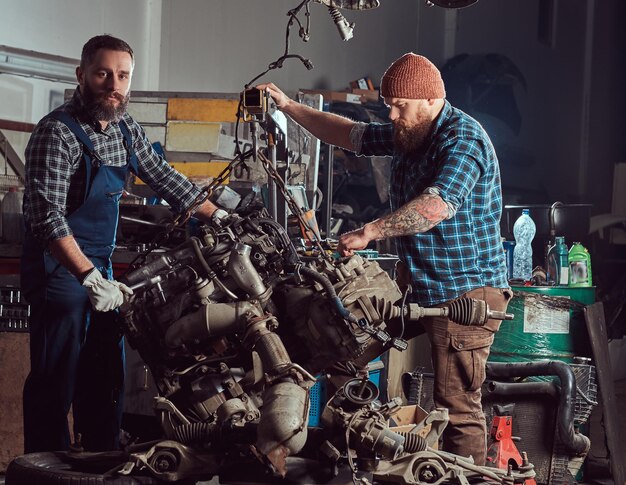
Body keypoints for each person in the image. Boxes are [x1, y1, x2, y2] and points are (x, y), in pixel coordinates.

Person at [257, 52, 511, 465]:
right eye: (388, 105)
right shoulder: (410, 129)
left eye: (400, 106)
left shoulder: (463, 139)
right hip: (418, 290)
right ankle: (358, 454)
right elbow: (349, 135)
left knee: (459, 408)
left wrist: (371, 230)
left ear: (431, 101)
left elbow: (436, 206)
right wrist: (288, 107)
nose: (391, 116)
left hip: (466, 292)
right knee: (338, 346)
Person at [21, 34, 222, 453]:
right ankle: (44, 470)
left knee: (104, 371)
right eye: (103, 73)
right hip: (59, 268)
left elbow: (164, 178)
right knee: (56, 377)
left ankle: (101, 459)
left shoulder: (125, 125)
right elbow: (46, 218)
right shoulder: (56, 133)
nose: (114, 84)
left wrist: (220, 216)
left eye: (123, 76)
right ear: (81, 75)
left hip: (101, 266)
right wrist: (90, 278)